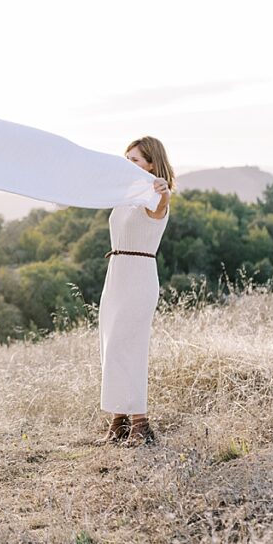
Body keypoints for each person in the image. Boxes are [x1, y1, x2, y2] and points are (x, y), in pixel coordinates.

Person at [98, 137, 175, 446]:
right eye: (126, 158)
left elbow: (159, 208)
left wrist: (164, 193)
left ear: (152, 164)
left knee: (130, 347)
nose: (128, 164)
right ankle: (118, 421)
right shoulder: (126, 195)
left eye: (136, 160)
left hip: (139, 276)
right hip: (115, 276)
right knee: (111, 348)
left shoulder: (154, 197)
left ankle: (140, 424)